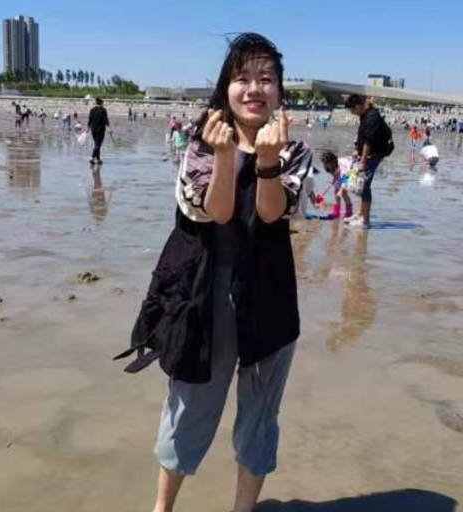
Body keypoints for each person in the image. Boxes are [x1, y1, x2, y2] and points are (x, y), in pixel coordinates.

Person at [116, 33, 312, 512]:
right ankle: (162, 508)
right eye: (243, 77)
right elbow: (216, 212)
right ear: (226, 88)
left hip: (269, 299)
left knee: (259, 418)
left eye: (266, 78)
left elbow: (271, 213)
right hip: (203, 298)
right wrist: (226, 154)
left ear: (280, 93)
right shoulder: (201, 144)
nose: (254, 88)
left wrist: (267, 160)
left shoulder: (295, 151)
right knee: (189, 408)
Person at [344, 94, 391, 228]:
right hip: (369, 152)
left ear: (358, 106)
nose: (352, 113)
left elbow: (368, 142)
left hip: (375, 153)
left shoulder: (371, 117)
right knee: (361, 184)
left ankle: (365, 221)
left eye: (352, 110)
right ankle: (360, 214)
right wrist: (357, 151)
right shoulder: (365, 114)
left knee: (364, 185)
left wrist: (363, 161)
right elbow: (362, 136)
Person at [320, 152, 353, 219]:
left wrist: (342, 189)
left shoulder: (341, 164)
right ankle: (336, 212)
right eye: (324, 163)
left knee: (343, 193)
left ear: (332, 161)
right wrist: (335, 179)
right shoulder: (329, 167)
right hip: (343, 172)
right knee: (336, 192)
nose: (325, 165)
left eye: (326, 163)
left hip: (351, 170)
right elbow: (335, 174)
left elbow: (345, 177)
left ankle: (349, 212)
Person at [87, 98, 112, 165]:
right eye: (103, 103)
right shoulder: (103, 110)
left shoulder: (92, 110)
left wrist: (88, 127)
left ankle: (98, 159)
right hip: (101, 129)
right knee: (98, 145)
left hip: (93, 129)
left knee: (97, 144)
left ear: (96, 103)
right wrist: (109, 128)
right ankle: (92, 158)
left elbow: (90, 119)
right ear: (101, 103)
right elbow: (105, 120)